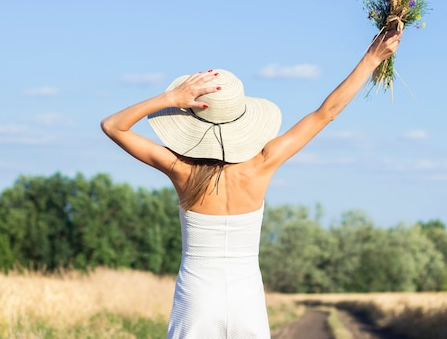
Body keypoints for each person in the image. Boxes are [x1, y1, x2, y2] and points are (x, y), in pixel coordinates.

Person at [100, 30, 402, 339]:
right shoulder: (263, 162)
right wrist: (371, 59)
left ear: (192, 121)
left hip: (197, 297)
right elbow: (326, 113)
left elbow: (112, 126)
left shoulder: (182, 170)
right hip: (246, 298)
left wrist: (169, 99)